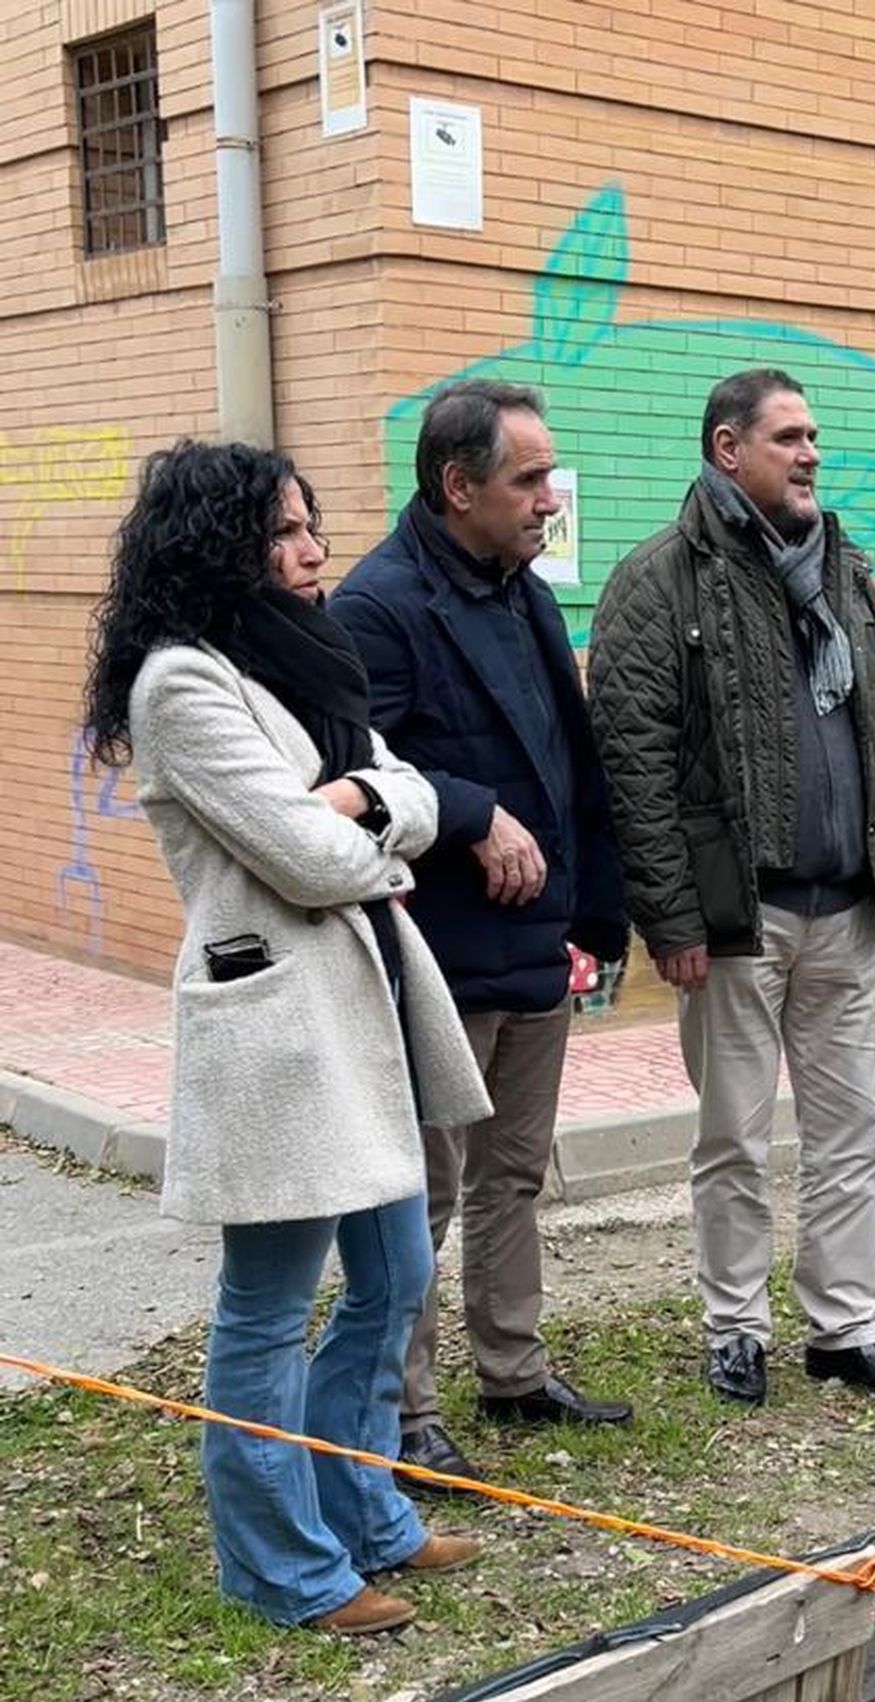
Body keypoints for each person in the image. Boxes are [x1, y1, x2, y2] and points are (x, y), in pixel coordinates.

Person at [83, 440, 492, 1635]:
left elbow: (409, 791)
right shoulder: (182, 684)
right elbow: (310, 863)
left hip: (361, 1005)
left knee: (397, 1272)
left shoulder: (304, 657)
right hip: (277, 1030)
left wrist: (361, 799)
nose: (314, 551)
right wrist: (374, 827)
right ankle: (278, 1565)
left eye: (313, 526)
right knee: (266, 1307)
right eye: (285, 532)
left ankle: (362, 1513)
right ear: (218, 546)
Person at [587, 367, 875, 1406]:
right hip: (738, 918)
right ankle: (735, 1329)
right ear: (728, 449)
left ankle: (845, 1329)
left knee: (850, 1133)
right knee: (734, 1138)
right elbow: (633, 761)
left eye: (813, 436)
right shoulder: (660, 578)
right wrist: (671, 917)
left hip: (847, 909)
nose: (810, 454)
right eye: (788, 437)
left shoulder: (843, 573)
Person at [332, 381, 632, 1488]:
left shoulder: (526, 593)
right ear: (459, 486)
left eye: (549, 476)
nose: (550, 498)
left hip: (536, 948)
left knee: (514, 1176)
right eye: (530, 478)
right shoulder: (377, 605)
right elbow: (356, 773)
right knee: (425, 1193)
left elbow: (574, 764)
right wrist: (471, 813)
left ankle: (512, 1370)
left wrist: (597, 916)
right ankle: (402, 1413)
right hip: (439, 958)